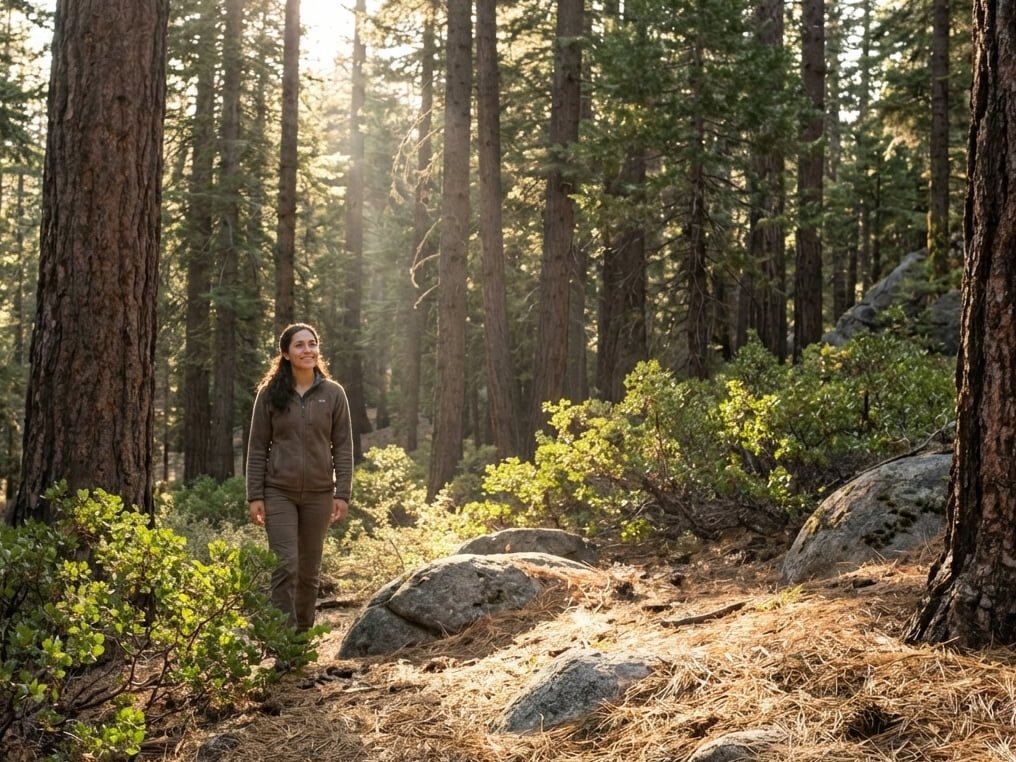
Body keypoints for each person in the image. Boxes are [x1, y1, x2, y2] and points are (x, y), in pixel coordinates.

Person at [246, 322, 353, 632]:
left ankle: (301, 640)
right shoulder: (270, 394)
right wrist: (255, 495)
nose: (308, 350)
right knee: (284, 567)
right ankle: (282, 644)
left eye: (312, 344)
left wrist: (342, 493)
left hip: (320, 495)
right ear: (286, 353)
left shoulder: (334, 394)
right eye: (300, 345)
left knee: (308, 572)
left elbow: (343, 447)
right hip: (278, 493)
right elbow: (257, 448)